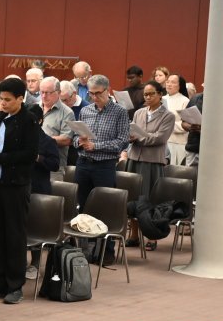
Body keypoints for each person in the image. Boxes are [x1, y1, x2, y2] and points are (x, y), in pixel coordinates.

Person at [0, 77, 39, 305]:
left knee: (14, 235)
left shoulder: (29, 121)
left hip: (16, 184)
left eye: (7, 100)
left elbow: (29, 154)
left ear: (20, 99)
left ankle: (15, 285)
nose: (2, 104)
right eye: (0, 99)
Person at [125, 81, 174, 250]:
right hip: (135, 158)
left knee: (149, 199)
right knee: (133, 198)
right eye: (145, 94)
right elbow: (132, 131)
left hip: (152, 161)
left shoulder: (168, 116)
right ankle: (133, 235)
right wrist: (130, 136)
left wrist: (139, 138)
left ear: (160, 94)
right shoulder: (139, 112)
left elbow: (160, 138)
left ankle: (152, 237)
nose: (147, 97)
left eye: (151, 94)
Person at [72, 74, 130, 208]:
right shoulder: (85, 111)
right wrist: (79, 142)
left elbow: (122, 142)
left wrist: (95, 146)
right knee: (81, 204)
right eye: (91, 93)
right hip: (83, 163)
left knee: (103, 205)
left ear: (107, 90)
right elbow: (75, 137)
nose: (94, 97)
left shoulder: (120, 112)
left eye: (98, 93)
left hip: (104, 165)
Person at [163, 74, 190, 166]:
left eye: (173, 82)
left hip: (177, 142)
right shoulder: (162, 99)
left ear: (180, 86)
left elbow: (186, 124)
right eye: (168, 82)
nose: (169, 84)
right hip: (162, 141)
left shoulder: (184, 101)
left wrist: (167, 125)